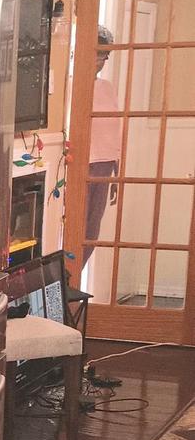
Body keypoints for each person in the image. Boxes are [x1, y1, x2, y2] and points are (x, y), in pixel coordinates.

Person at [83, 24, 120, 267]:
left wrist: (117, 169)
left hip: (105, 166)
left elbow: (115, 129)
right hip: (83, 166)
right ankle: (67, 283)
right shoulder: (74, 84)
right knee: (76, 229)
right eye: (99, 53)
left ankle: (72, 282)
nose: (102, 60)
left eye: (105, 55)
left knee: (92, 234)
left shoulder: (107, 87)